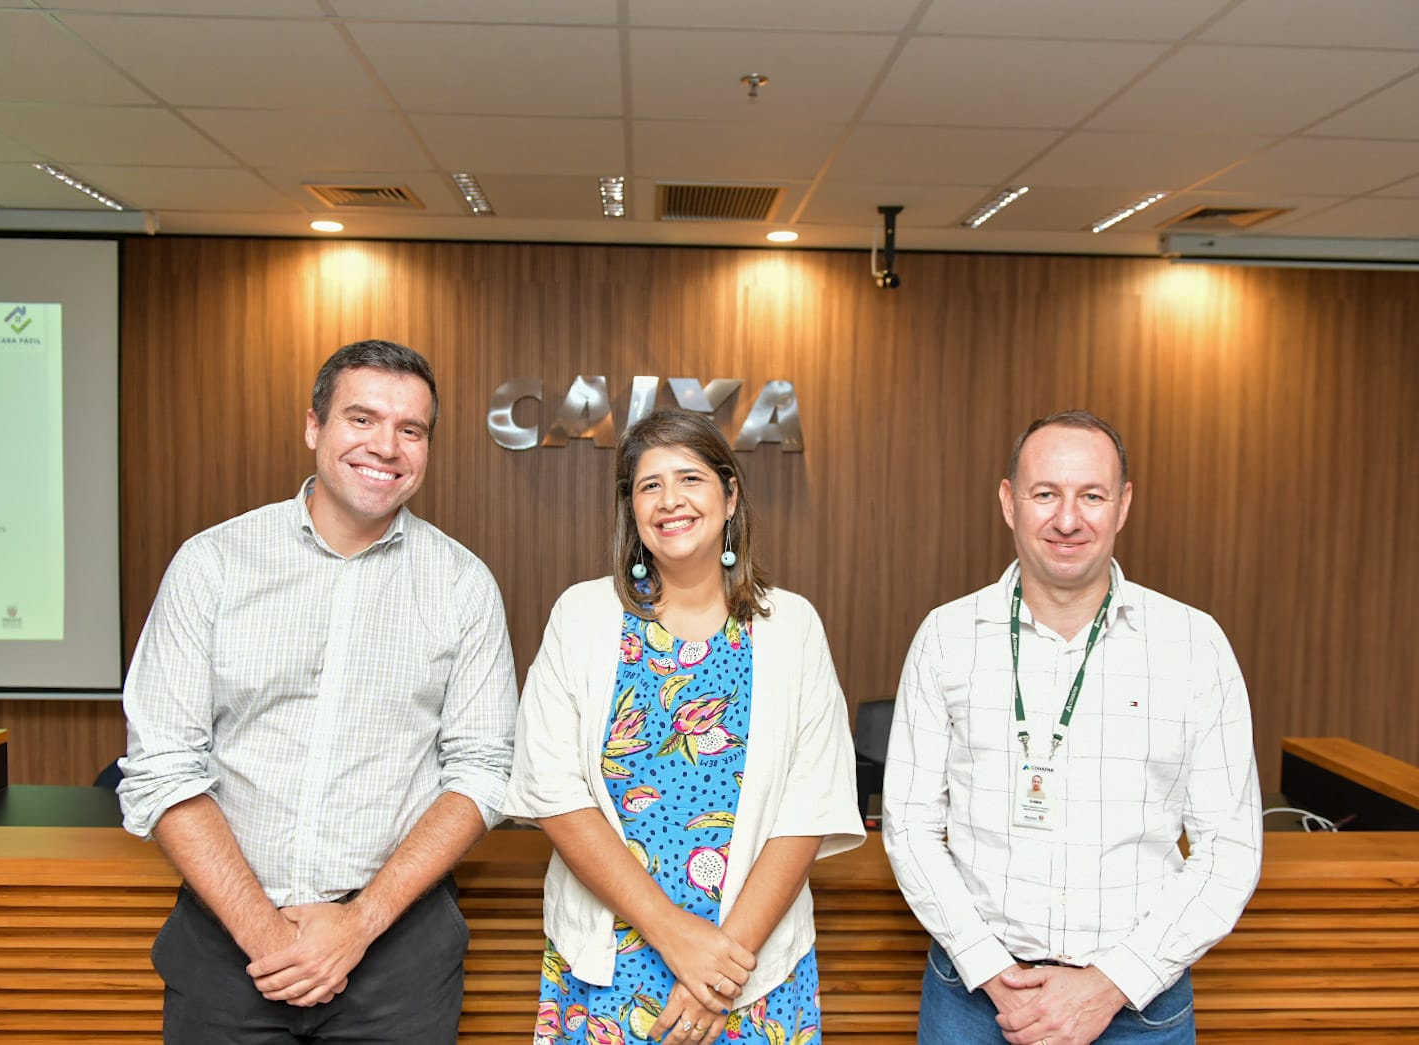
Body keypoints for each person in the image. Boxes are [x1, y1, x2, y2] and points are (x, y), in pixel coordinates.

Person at [117, 340, 518, 1044]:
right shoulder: (212, 565)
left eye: (410, 430)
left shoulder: (462, 585)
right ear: (313, 426)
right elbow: (163, 766)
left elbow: (482, 770)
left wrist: (358, 923)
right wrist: (267, 933)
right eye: (361, 419)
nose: (385, 446)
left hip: (398, 955)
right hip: (227, 948)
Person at [882, 410, 1262, 1045]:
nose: (1067, 519)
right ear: (1009, 502)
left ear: (1123, 505)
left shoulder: (1195, 645)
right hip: (974, 1002)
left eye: (1091, 495)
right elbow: (910, 825)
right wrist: (992, 969)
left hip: (1139, 1009)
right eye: (1045, 494)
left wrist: (1111, 983)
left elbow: (1230, 850)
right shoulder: (945, 638)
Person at [504, 410, 864, 1045]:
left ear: (729, 497)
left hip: (750, 970)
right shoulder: (581, 617)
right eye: (649, 486)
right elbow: (551, 791)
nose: (670, 501)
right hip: (608, 966)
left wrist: (718, 971)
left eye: (690, 479)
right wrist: (673, 934)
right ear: (632, 510)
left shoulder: (792, 627)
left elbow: (810, 805)